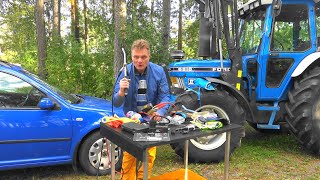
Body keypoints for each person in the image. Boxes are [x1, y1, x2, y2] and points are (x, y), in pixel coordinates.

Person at [113, 39, 170, 180]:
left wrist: (160, 112)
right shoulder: (124, 72)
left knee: (150, 155)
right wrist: (121, 91)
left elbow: (165, 96)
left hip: (150, 119)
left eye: (143, 57)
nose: (139, 60)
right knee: (129, 155)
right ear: (132, 57)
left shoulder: (159, 71)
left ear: (149, 56)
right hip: (130, 120)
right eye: (136, 57)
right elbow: (116, 102)